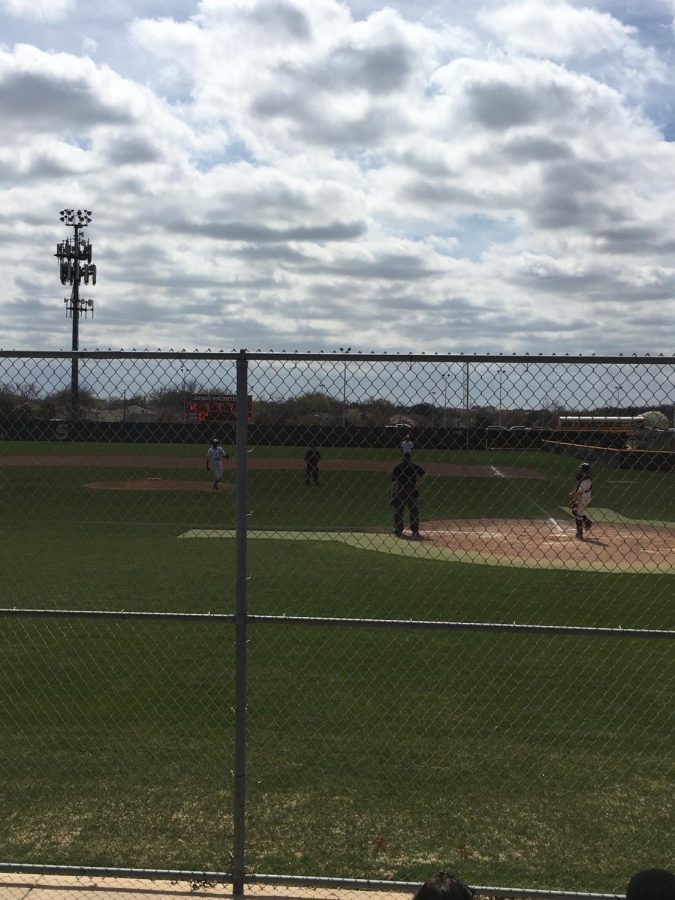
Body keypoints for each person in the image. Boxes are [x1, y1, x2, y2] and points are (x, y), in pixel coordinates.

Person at [391, 452, 425, 538]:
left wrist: (394, 491)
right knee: (413, 511)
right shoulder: (413, 466)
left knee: (399, 510)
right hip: (412, 490)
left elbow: (394, 482)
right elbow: (424, 474)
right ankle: (415, 531)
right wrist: (418, 483)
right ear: (410, 458)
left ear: (403, 458)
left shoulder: (398, 467)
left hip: (401, 490)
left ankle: (398, 530)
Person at [569, 461, 592, 540]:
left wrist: (573, 499)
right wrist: (573, 493)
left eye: (581, 469)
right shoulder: (583, 477)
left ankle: (580, 533)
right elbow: (578, 487)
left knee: (579, 514)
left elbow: (580, 491)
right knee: (574, 510)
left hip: (584, 498)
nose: (580, 470)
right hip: (582, 497)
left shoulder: (587, 480)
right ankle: (587, 522)